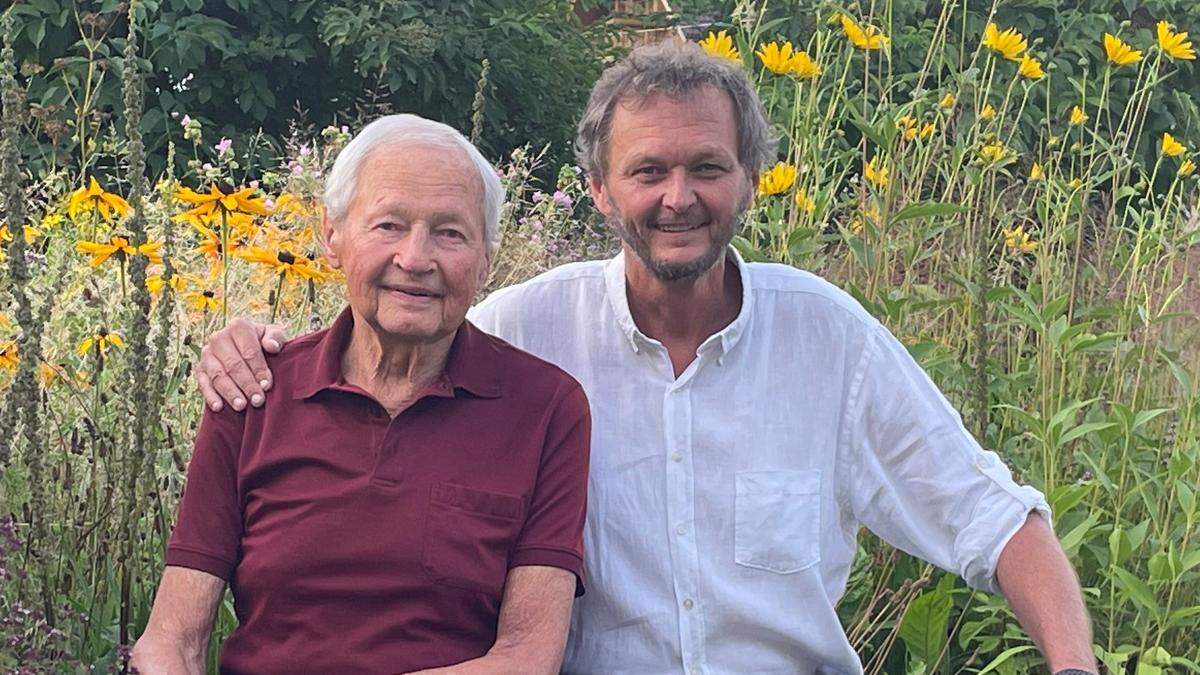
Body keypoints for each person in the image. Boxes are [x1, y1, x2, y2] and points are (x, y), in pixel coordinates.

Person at [194, 41, 1098, 674]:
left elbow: (996, 520)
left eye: (707, 167)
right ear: (596, 188)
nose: (678, 198)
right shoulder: (524, 334)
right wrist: (252, 346)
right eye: (647, 170)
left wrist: (1073, 664)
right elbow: (394, 322)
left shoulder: (829, 339)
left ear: (749, 177)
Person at [132, 115, 591, 674]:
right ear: (333, 238)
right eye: (388, 226)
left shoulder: (545, 409)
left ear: (486, 262)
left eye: (451, 233)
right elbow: (170, 643)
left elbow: (526, 659)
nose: (416, 259)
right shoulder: (255, 392)